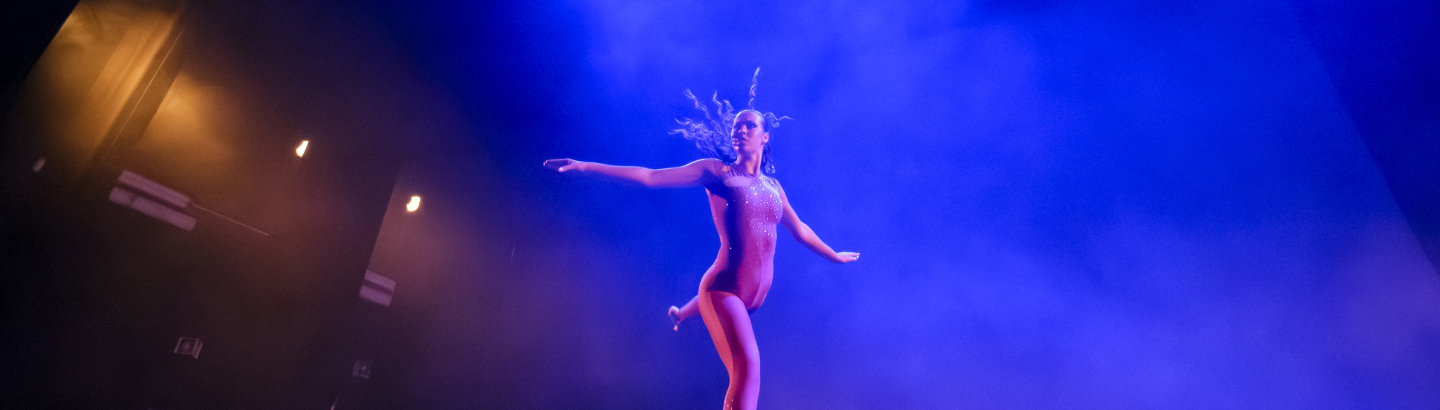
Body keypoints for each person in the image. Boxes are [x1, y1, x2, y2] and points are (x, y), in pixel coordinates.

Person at [543, 70, 858, 410]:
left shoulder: (774, 189)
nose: (740, 129)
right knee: (747, 368)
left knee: (722, 333)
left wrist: (833, 255)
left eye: (749, 125)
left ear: (765, 136)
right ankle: (690, 310)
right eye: (736, 125)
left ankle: (684, 311)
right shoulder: (717, 172)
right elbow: (650, 177)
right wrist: (585, 166)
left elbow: (800, 229)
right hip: (725, 290)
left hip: (750, 298)